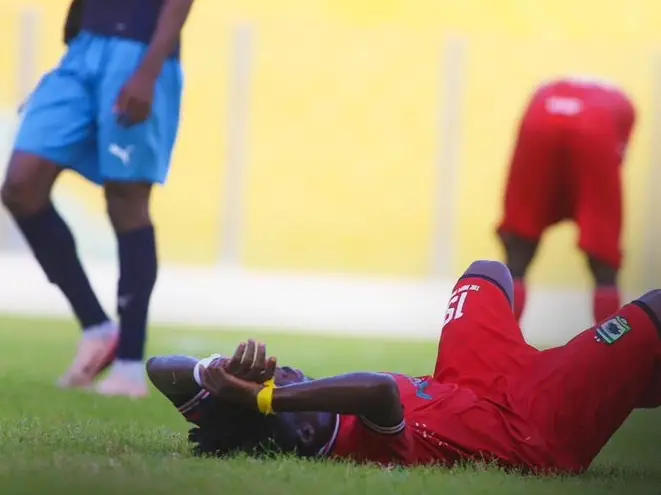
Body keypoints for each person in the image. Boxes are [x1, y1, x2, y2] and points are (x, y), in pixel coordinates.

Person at [147, 260, 661, 474]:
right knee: (654, 310)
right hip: (529, 424)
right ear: (302, 432)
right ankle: (603, 383)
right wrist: (263, 397)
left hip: (469, 383)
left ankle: (614, 385)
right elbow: (378, 391)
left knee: (486, 274)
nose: (291, 374)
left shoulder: (305, 420)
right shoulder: (362, 445)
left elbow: (160, 367)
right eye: (289, 382)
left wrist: (215, 372)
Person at [1, 0, 195, 397]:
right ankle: (97, 327)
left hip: (139, 49)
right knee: (21, 187)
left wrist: (149, 70)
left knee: (126, 199)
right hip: (85, 48)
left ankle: (129, 366)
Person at [497, 76, 636, 324]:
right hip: (599, 125)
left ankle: (500, 335)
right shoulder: (622, 103)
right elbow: (616, 161)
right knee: (603, 252)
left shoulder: (544, 91)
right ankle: (610, 343)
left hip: (541, 117)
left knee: (519, 244)